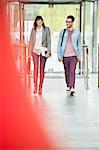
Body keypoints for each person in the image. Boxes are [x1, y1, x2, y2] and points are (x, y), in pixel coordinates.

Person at [57, 15, 81, 96]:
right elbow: (59, 44)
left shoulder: (77, 32)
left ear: (72, 22)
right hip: (65, 55)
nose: (67, 23)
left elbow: (79, 45)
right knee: (67, 71)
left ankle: (72, 87)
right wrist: (59, 55)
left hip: (74, 55)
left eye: (69, 22)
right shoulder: (63, 32)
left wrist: (79, 56)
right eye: (66, 21)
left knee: (72, 71)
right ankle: (68, 85)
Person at [29, 16, 51, 95]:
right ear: (36, 22)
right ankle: (35, 86)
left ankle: (40, 87)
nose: (39, 22)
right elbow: (31, 41)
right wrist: (29, 53)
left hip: (43, 51)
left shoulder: (46, 29)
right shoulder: (33, 30)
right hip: (35, 51)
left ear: (42, 21)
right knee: (35, 69)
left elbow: (49, 40)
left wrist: (49, 51)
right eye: (38, 21)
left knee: (42, 69)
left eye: (40, 20)